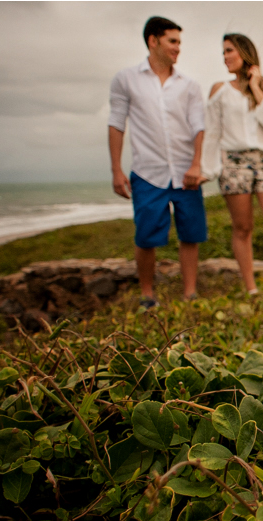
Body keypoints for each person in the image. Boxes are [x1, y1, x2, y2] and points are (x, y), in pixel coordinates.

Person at [109, 16, 207, 308]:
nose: (178, 48)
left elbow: (198, 126)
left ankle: (190, 293)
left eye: (179, 42)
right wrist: (116, 169)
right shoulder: (126, 79)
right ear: (153, 41)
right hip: (147, 171)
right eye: (172, 41)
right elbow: (116, 124)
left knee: (191, 233)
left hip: (186, 171)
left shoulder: (189, 85)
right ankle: (147, 295)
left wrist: (197, 164)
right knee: (147, 236)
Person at [201, 33, 263, 302]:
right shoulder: (219, 90)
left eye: (229, 51)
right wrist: (207, 169)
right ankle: (251, 290)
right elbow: (212, 133)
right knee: (242, 227)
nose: (225, 57)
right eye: (223, 52)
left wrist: (257, 87)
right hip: (234, 163)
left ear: (245, 53)